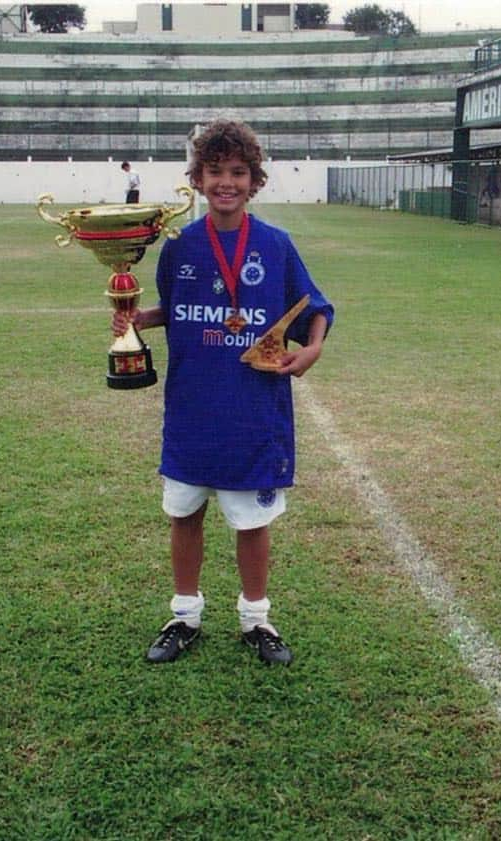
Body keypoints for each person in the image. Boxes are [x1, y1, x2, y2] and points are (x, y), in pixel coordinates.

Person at [110, 119, 334, 666]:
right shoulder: (180, 245)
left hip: (253, 415)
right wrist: (140, 318)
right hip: (191, 410)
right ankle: (184, 615)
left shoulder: (276, 246)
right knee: (184, 514)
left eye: (238, 172)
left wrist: (312, 351)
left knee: (251, 523)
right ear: (198, 178)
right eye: (215, 172)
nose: (226, 182)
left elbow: (316, 310)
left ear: (254, 180)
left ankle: (256, 620)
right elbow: (180, 311)